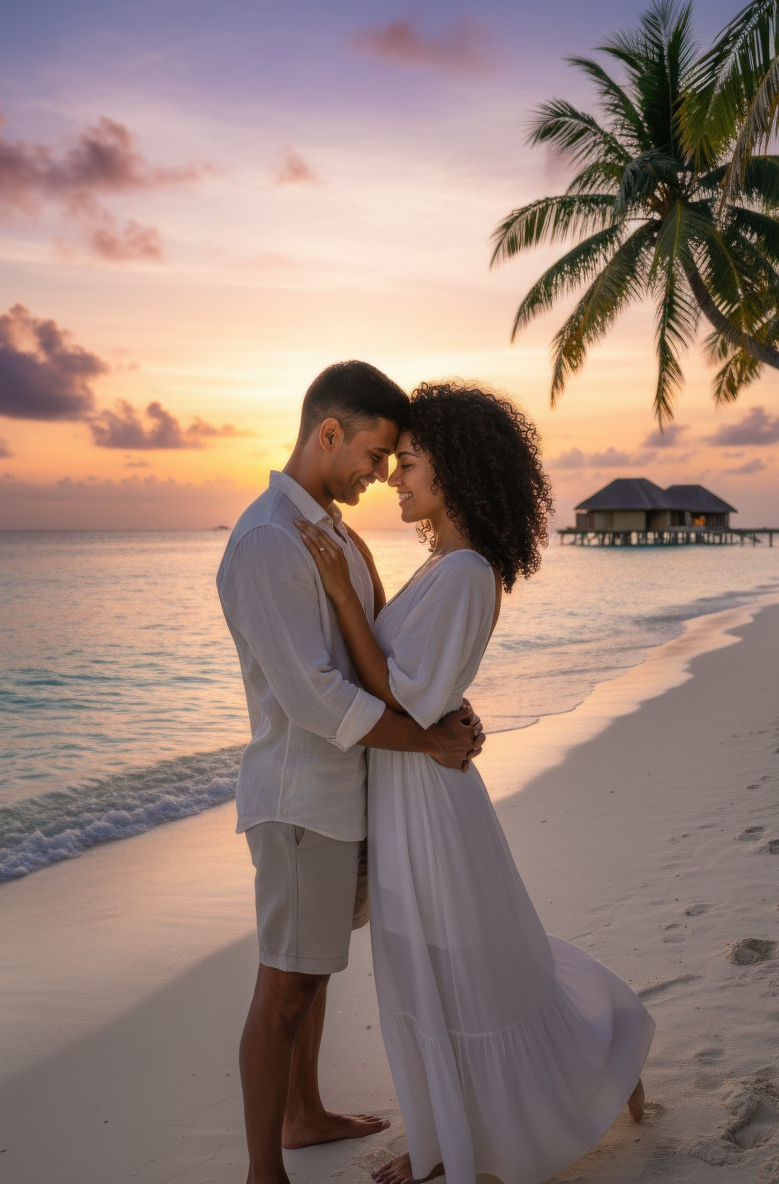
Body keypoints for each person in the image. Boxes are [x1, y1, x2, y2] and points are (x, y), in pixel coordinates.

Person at [296, 381, 656, 1184]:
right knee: (444, 963)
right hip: (411, 786)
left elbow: (406, 692)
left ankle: (480, 1131)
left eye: (411, 462)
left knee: (463, 963)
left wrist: (339, 593)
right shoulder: (443, 567)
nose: (394, 476)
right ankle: (447, 1139)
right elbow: (429, 680)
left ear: (454, 471)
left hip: (429, 800)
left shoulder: (464, 572)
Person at [215, 361, 486, 1184]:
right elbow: (315, 700)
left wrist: (441, 713)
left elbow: (385, 658)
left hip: (348, 795)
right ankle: (266, 1168)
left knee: (314, 965)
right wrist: (428, 742)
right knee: (287, 985)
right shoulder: (269, 540)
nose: (381, 474)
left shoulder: (329, 529)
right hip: (303, 800)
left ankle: (303, 1114)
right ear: (328, 432)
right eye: (375, 453)